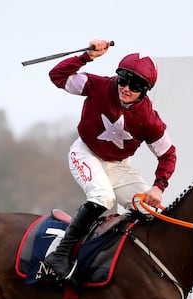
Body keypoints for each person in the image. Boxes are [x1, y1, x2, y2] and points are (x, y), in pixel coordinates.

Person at [44, 39, 177, 281]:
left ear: (145, 91)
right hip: (85, 153)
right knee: (103, 197)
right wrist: (86, 56)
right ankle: (60, 254)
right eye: (124, 80)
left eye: (135, 85)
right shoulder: (98, 85)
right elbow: (57, 76)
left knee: (154, 212)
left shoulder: (149, 119)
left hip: (118, 166)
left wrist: (159, 186)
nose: (126, 88)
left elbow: (167, 154)